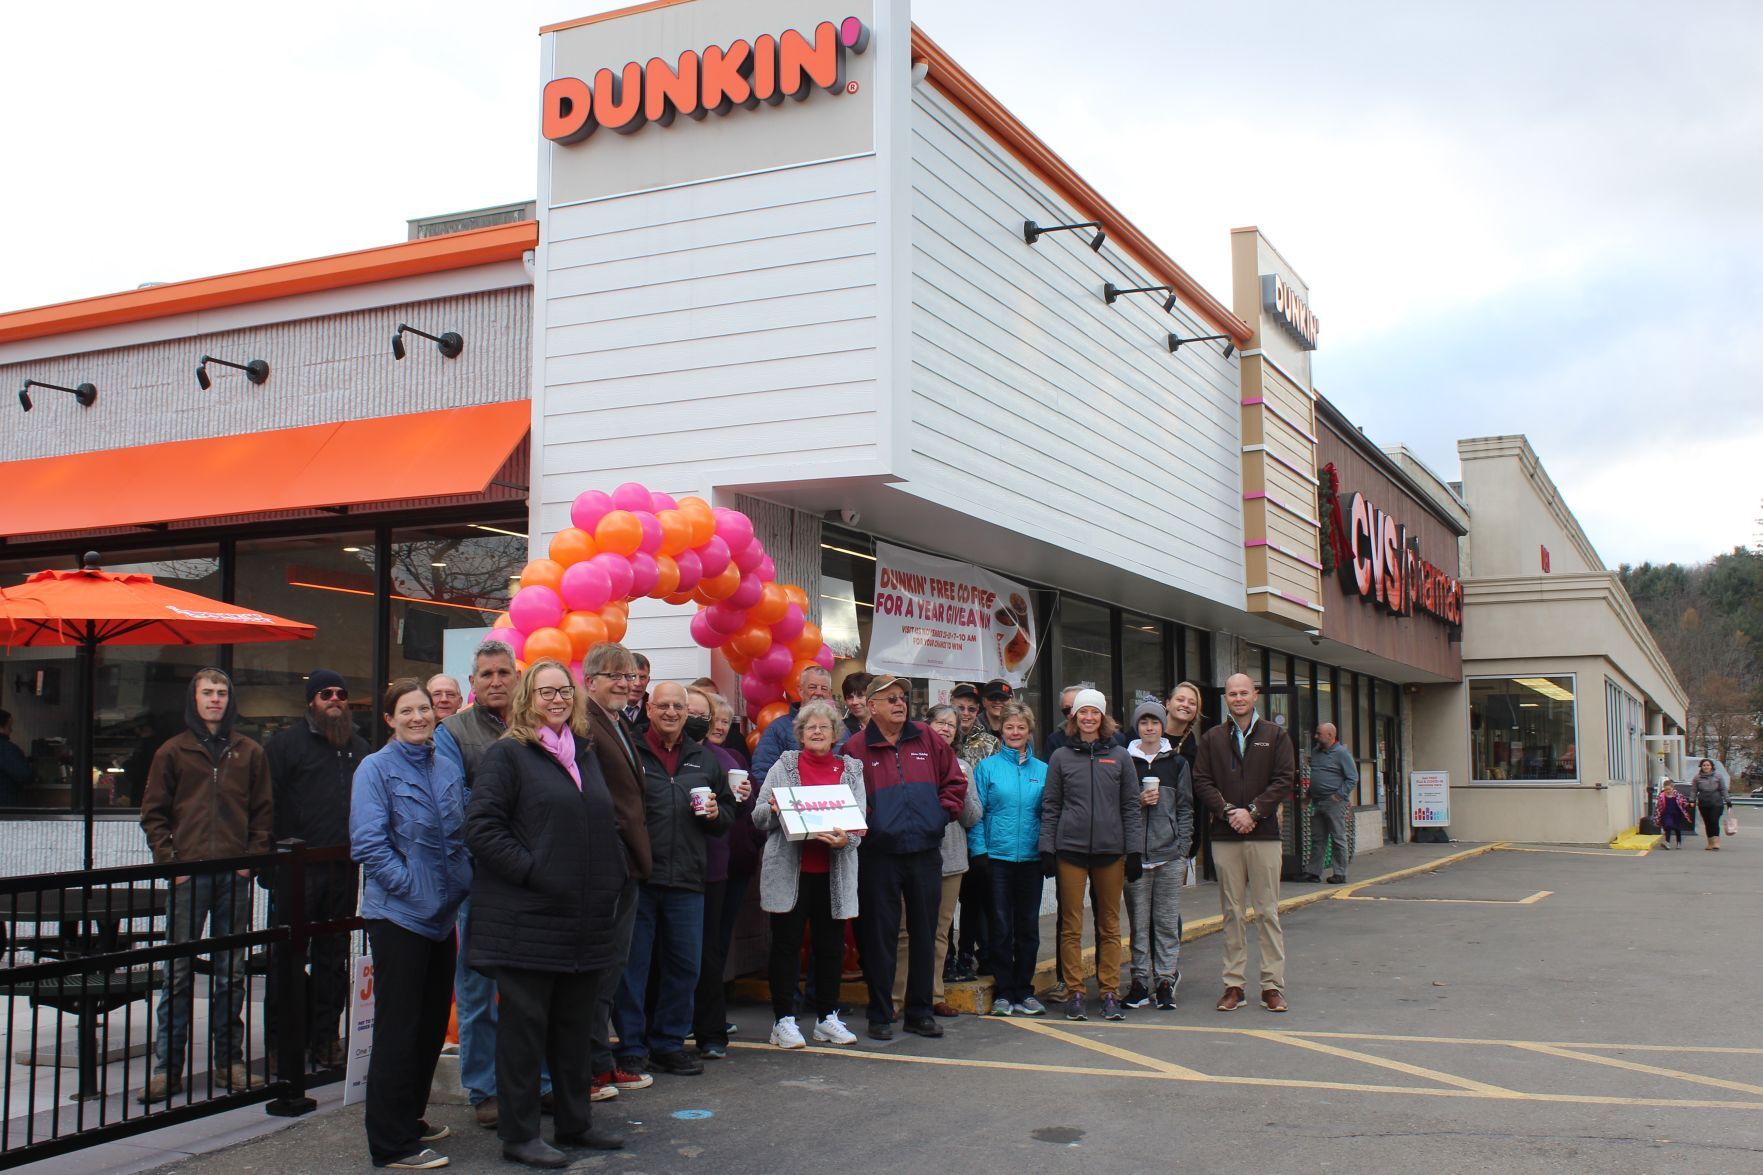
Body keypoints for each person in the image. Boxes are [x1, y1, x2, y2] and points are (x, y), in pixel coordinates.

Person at [465, 660, 628, 1168]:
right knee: (524, 1033)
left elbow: (600, 822)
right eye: (545, 692)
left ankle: (576, 1124)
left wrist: (611, 876)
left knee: (576, 1029)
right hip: (527, 921)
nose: (556, 699)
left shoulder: (582, 752)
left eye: (564, 690)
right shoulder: (508, 755)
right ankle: (519, 1134)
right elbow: (482, 828)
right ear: (525, 698)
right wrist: (535, 872)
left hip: (582, 921)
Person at [350, 679, 473, 1171]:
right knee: (399, 1030)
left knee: (426, 1029)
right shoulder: (374, 769)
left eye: (424, 708)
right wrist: (415, 889)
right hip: (399, 917)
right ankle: (390, 1143)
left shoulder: (445, 766)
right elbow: (369, 845)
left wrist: (457, 881)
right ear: (389, 719)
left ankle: (410, 1117)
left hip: (442, 918)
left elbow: (462, 831)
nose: (419, 717)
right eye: (407, 711)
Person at [138, 668, 274, 1102]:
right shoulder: (172, 752)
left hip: (233, 876)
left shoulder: (249, 751)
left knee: (230, 972)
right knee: (175, 973)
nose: (215, 699)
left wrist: (249, 862)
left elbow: (264, 812)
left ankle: (229, 1064)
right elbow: (153, 813)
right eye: (207, 692)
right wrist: (170, 862)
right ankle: (167, 1068)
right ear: (193, 699)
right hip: (188, 875)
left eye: (221, 692)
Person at [613, 681, 734, 1076]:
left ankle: (668, 1043)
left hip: (687, 879)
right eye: (662, 706)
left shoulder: (704, 758)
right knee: (635, 967)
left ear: (688, 713)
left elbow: (727, 817)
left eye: (677, 708)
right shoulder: (630, 750)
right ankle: (631, 1045)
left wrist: (717, 814)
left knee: (684, 966)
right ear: (648, 708)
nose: (670, 713)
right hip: (640, 878)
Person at [843, 674, 966, 1040]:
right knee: (880, 937)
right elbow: (849, 798)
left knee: (925, 933)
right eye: (890, 698)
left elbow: (954, 782)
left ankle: (920, 1011)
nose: (899, 703)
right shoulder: (854, 748)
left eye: (902, 697)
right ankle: (881, 1014)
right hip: (879, 855)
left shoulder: (926, 737)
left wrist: (941, 815)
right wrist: (871, 826)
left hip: (926, 851)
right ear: (871, 706)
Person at [434, 640, 521, 1129]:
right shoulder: (453, 731)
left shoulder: (535, 725)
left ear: (516, 677)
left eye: (502, 672)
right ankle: (484, 1089)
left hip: (531, 875)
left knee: (532, 988)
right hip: (481, 875)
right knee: (477, 987)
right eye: (485, 674)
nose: (494, 681)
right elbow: (455, 800)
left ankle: (539, 1081)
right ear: (473, 683)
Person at [265, 668, 369, 1072]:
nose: (335, 699)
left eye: (341, 693)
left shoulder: (359, 747)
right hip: (297, 871)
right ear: (311, 700)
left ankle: (327, 1038)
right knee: (287, 959)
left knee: (333, 959)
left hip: (343, 868)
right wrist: (270, 864)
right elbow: (267, 805)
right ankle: (281, 1044)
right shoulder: (285, 746)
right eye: (326, 693)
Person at [753, 699, 863, 1049]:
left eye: (824, 727)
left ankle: (827, 1018)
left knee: (830, 946)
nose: (817, 731)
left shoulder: (851, 770)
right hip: (790, 872)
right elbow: (757, 817)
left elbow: (860, 823)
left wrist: (847, 839)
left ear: (835, 734)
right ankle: (783, 1020)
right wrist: (772, 810)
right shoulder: (783, 767)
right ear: (800, 733)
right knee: (785, 947)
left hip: (833, 873)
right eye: (810, 726)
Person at [1193, 673, 1295, 1014]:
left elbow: (1284, 779)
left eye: (1244, 692)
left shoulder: (1275, 736)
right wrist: (1226, 812)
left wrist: (1253, 812)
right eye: (1232, 693)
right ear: (1225, 698)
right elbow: (1202, 780)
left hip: (1263, 834)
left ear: (1255, 696)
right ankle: (1233, 985)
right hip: (1225, 835)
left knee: (1267, 911)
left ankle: (1272, 986)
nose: (1238, 698)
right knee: (1232, 913)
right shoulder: (1211, 738)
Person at [579, 643, 655, 1097]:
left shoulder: (618, 722)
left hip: (627, 863)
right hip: (607, 865)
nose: (625, 684)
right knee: (598, 971)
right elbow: (594, 798)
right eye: (615, 676)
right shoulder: (584, 723)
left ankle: (599, 1062)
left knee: (611, 969)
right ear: (590, 680)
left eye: (629, 677)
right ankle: (590, 1068)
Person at [1039, 688, 1142, 1022]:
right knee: (1070, 925)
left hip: (1111, 851)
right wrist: (1047, 847)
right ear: (1074, 717)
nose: (1087, 718)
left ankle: (1110, 991)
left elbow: (1130, 806)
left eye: (1094, 712)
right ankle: (1075, 992)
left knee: (1110, 925)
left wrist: (1135, 849)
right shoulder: (1061, 757)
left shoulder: (1121, 755)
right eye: (1082, 712)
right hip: (1070, 850)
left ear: (1103, 717)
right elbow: (1051, 805)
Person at [893, 704, 982, 1018]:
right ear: (926, 725)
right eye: (940, 722)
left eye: (952, 724)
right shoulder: (908, 759)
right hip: (913, 855)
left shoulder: (963, 766)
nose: (945, 728)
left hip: (951, 858)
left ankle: (933, 995)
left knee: (940, 931)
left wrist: (962, 787)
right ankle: (897, 998)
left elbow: (973, 817)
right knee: (905, 930)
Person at [687, 684, 751, 1059]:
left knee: (709, 952)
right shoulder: (655, 751)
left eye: (702, 715)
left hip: (712, 866)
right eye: (688, 712)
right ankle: (666, 1028)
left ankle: (710, 1031)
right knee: (672, 954)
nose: (696, 720)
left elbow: (739, 812)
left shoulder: (725, 759)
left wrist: (739, 801)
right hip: (664, 868)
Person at [973, 701, 1048, 1016]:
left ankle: (1024, 990)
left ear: (1029, 731)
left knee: (1028, 927)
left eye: (1021, 727)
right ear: (1000, 731)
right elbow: (978, 814)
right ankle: (1004, 991)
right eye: (1009, 727)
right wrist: (980, 852)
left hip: (1031, 859)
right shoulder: (987, 768)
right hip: (998, 858)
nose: (1015, 732)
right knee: (1001, 927)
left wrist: (1048, 851)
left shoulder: (1043, 770)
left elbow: (1049, 814)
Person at [1122, 701, 1193, 1012]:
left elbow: (1187, 808)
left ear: (1163, 726)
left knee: (1165, 922)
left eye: (1154, 722)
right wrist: (1138, 801)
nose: (1149, 727)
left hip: (1169, 855)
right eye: (1143, 722)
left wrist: (1183, 848)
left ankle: (1164, 980)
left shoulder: (1176, 763)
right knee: (1138, 924)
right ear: (1136, 727)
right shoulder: (1124, 761)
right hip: (1135, 856)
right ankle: (1138, 981)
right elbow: (1118, 808)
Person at [950, 685, 998, 983]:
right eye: (960, 707)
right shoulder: (937, 736)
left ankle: (972, 954)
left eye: (970, 708)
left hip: (979, 830)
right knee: (944, 904)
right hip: (948, 832)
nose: (965, 713)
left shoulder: (989, 743)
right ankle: (949, 959)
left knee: (975, 899)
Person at [750, 665, 836, 784]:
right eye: (812, 687)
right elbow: (763, 773)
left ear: (830, 693)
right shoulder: (777, 729)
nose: (819, 692)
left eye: (824, 688)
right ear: (800, 690)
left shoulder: (841, 730)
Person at [1300, 722, 1358, 884]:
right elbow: (1315, 777)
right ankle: (1313, 872)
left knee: (1338, 838)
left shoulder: (1341, 753)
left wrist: (1339, 796)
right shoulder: (1316, 752)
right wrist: (1308, 796)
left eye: (1319, 734)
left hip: (1334, 802)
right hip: (1317, 802)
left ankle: (1340, 873)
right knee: (1318, 838)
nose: (1316, 736)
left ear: (1331, 736)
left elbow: (1352, 778)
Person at [1691, 758, 1729, 850]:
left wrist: (1728, 800)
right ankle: (1710, 843)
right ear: (1701, 766)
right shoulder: (1697, 778)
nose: (1706, 767)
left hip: (1716, 803)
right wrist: (1692, 800)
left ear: (1711, 766)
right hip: (1703, 803)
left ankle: (1716, 842)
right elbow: (1694, 790)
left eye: (1708, 765)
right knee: (1707, 823)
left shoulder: (1718, 776)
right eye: (1704, 765)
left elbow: (1723, 789)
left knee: (1714, 821)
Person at [0, 709, 29, 805]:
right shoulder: (6, 749)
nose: (11, 730)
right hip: (6, 805)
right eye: (9, 726)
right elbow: (23, 774)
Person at [1655, 778, 1693, 848]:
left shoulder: (1677, 795)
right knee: (1668, 826)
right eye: (1666, 789)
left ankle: (1679, 842)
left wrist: (1689, 805)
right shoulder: (1661, 796)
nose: (1668, 791)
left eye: (1669, 789)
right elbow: (1658, 807)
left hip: (1676, 814)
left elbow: (1683, 802)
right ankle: (1667, 843)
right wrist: (1658, 816)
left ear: (1672, 788)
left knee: (1677, 828)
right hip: (1666, 814)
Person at [621, 654, 652, 731]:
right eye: (632, 676)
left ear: (648, 681)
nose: (637, 683)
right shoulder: (609, 708)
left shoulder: (655, 708)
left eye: (642, 677)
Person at [840, 672, 873, 737]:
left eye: (860, 696)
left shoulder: (887, 726)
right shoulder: (840, 729)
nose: (854, 702)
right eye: (850, 697)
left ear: (872, 696)